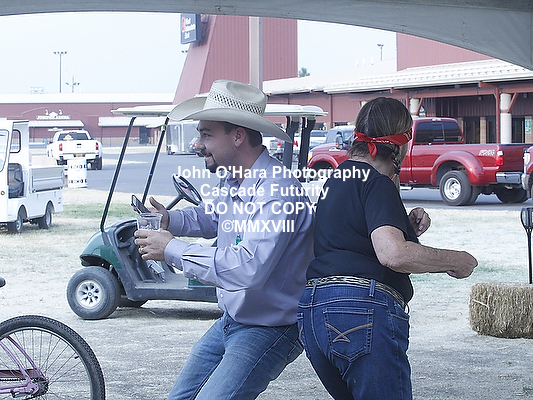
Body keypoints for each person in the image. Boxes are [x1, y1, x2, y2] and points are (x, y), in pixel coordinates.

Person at [134, 80, 314, 400]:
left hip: (270, 328)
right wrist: (170, 220)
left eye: (206, 134)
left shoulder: (277, 191)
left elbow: (247, 268)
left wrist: (171, 248)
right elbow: (215, 217)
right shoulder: (235, 178)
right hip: (234, 320)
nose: (197, 144)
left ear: (238, 136)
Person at [297, 97, 478, 400]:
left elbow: (352, 237)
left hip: (314, 312)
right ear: (401, 143)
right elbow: (393, 254)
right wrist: (455, 260)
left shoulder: (336, 180)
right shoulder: (376, 182)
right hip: (359, 310)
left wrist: (403, 225)